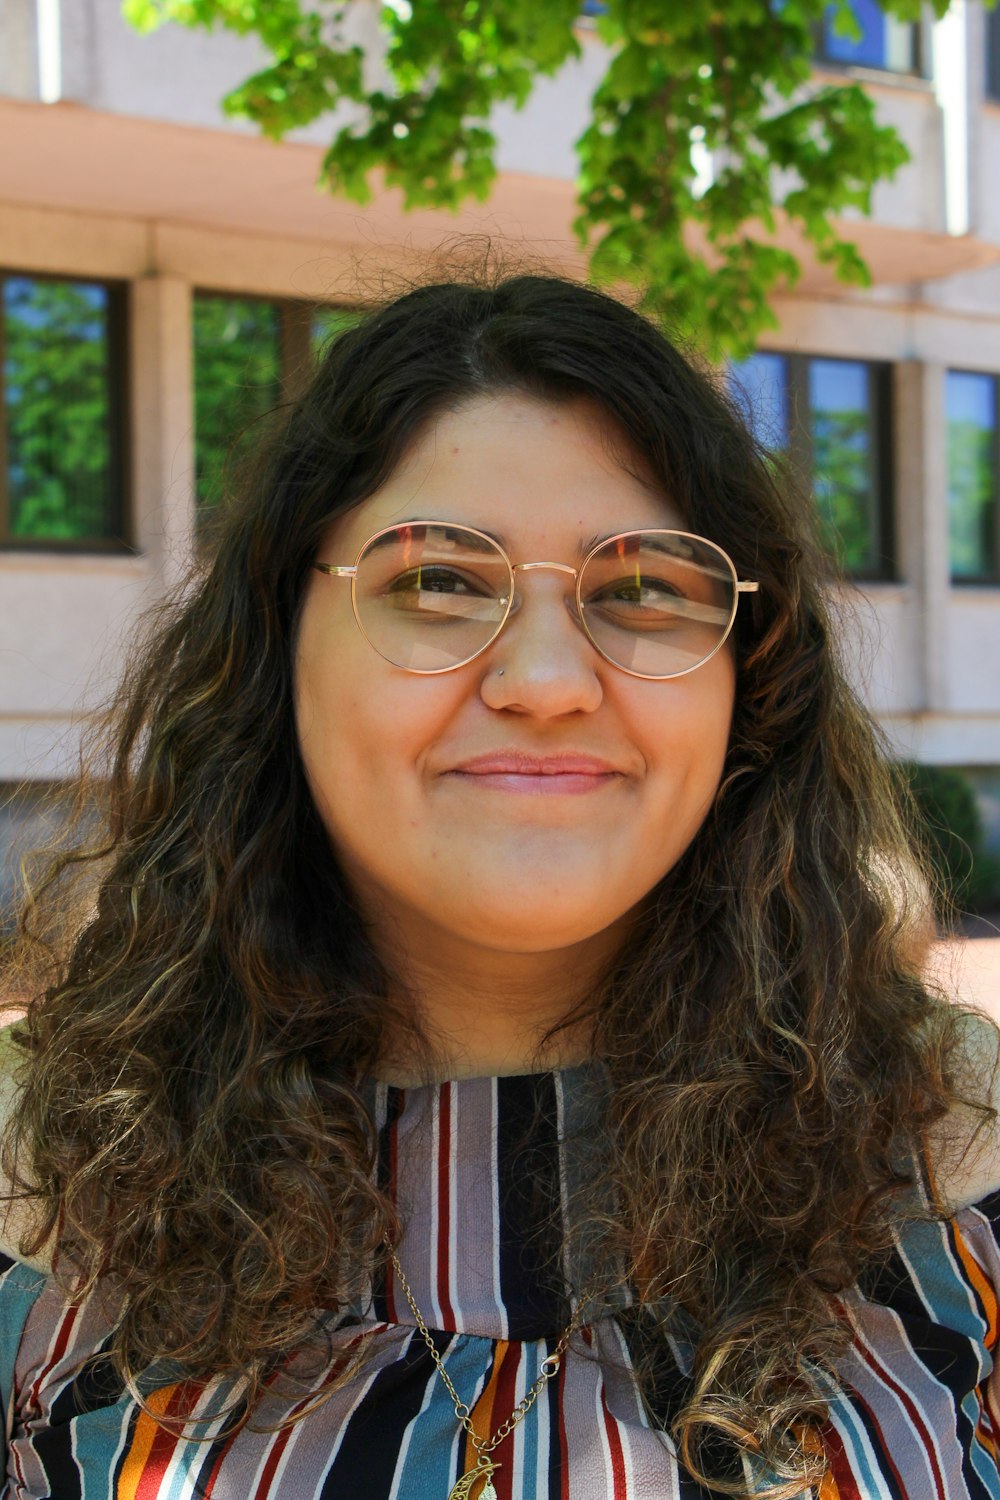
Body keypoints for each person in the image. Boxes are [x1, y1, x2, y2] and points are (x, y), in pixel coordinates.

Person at [0, 269, 998, 1500]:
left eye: (642, 586)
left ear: (753, 678)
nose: (543, 679)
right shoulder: (36, 1190)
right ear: (272, 646)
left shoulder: (964, 1158)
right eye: (436, 580)